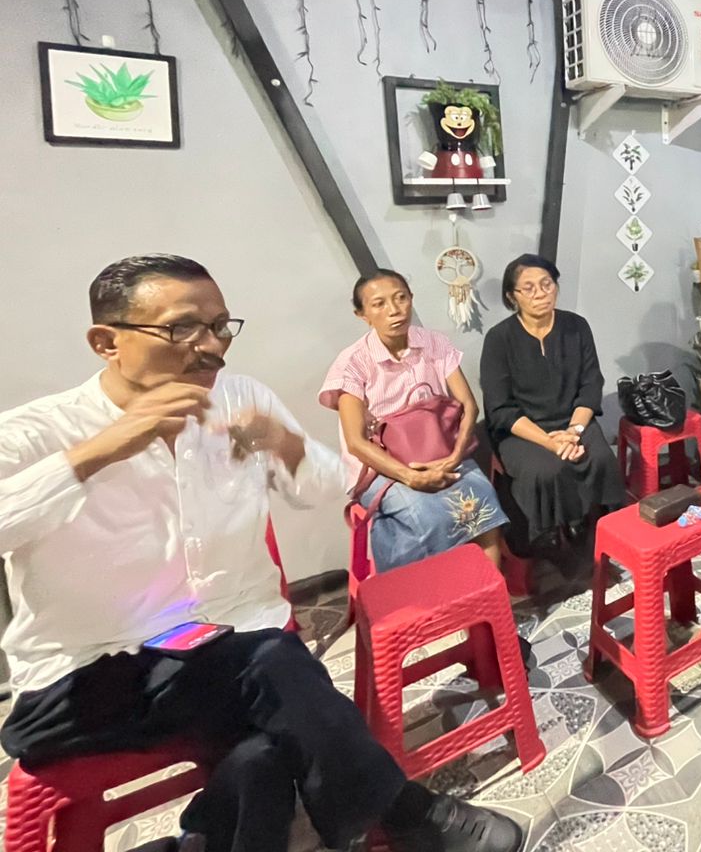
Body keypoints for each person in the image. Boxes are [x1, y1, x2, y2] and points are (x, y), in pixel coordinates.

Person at [0, 255, 521, 852]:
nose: (211, 347)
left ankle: (205, 838)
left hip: (230, 647)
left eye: (220, 327)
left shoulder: (240, 399)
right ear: (106, 342)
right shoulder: (42, 432)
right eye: (182, 328)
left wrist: (284, 445)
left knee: (262, 750)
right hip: (90, 676)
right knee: (277, 668)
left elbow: (327, 487)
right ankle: (403, 812)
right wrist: (98, 452)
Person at [319, 269, 509, 573]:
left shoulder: (434, 343)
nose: (394, 310)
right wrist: (410, 477)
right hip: (381, 467)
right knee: (426, 514)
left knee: (483, 499)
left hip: (442, 452)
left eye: (401, 298)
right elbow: (355, 442)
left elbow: (469, 406)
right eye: (379, 304)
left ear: (411, 299)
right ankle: (433, 594)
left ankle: (489, 591)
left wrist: (454, 458)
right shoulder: (352, 363)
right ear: (362, 315)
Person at [479, 254, 625, 554]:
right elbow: (500, 408)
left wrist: (573, 431)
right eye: (529, 288)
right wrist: (549, 442)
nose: (540, 293)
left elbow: (591, 385)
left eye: (547, 284)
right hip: (523, 430)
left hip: (573, 421)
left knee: (598, 458)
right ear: (512, 296)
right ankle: (545, 541)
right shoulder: (499, 339)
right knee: (546, 471)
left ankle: (587, 528)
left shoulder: (576, 326)